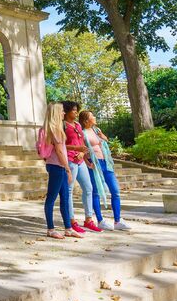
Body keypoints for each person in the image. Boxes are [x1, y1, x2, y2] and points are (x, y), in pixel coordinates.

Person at [80, 111, 129, 231]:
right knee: (96, 192)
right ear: (86, 120)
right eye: (92, 117)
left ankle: (118, 220)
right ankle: (100, 220)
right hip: (94, 163)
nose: (95, 118)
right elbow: (82, 149)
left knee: (115, 191)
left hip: (105, 162)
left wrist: (103, 137)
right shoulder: (82, 133)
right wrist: (87, 163)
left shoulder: (96, 130)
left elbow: (104, 141)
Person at [40, 103, 83, 239]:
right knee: (52, 198)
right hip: (58, 167)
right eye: (62, 111)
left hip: (54, 165)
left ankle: (68, 228)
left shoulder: (47, 128)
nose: (64, 113)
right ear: (56, 113)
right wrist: (67, 168)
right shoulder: (55, 129)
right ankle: (51, 229)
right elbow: (59, 151)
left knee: (64, 197)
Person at [61, 101, 99, 233]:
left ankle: (89, 219)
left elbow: (82, 143)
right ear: (66, 111)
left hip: (81, 160)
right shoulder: (62, 126)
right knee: (69, 191)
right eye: (74, 110)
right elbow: (59, 145)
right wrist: (76, 149)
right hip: (70, 160)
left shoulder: (77, 125)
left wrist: (83, 153)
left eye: (77, 110)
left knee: (88, 188)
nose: (76, 112)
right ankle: (71, 221)